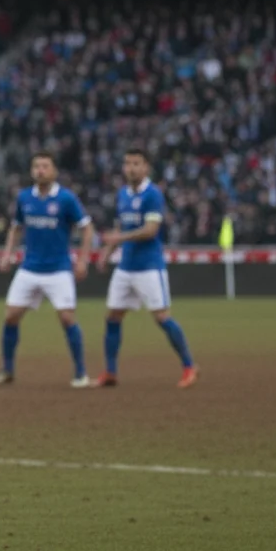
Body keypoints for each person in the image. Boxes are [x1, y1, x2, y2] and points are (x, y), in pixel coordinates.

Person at [0, 152, 94, 389]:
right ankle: (7, 370)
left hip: (58, 269)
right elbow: (16, 228)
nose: (40, 170)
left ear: (54, 171)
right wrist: (7, 254)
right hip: (30, 268)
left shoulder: (66, 198)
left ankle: (81, 373)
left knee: (67, 318)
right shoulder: (24, 197)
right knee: (11, 316)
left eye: (45, 166)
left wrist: (82, 260)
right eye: (36, 166)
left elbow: (86, 228)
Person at [96, 148, 198, 389]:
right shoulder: (122, 194)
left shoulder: (153, 194)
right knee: (113, 316)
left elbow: (151, 230)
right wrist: (107, 253)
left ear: (146, 167)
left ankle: (189, 366)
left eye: (136, 163)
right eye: (127, 163)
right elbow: (120, 225)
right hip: (125, 267)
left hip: (149, 267)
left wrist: (118, 239)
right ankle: (110, 372)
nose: (131, 168)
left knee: (162, 317)